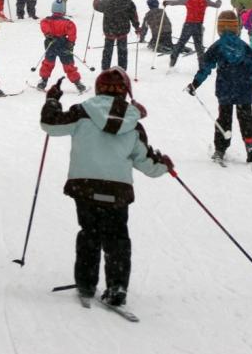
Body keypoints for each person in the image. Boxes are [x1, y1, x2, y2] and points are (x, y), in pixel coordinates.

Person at [39, 67, 173, 307]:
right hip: (117, 190)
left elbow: (51, 125)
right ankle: (116, 287)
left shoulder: (82, 113)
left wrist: (52, 100)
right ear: (126, 93)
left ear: (99, 87)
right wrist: (163, 166)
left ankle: (86, 284)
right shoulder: (133, 124)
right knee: (117, 238)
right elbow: (145, 162)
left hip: (85, 186)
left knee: (89, 233)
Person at [186, 10, 252, 166]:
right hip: (243, 88)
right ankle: (250, 146)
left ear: (220, 27)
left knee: (224, 119)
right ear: (236, 27)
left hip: (225, 89)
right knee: (246, 119)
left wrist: (195, 84)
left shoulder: (217, 47)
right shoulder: (245, 48)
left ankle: (220, 149)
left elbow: (206, 68)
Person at [163, 0, 221, 68]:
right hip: (198, 26)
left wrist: (167, 2)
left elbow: (176, 2)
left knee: (181, 43)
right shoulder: (205, 1)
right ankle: (202, 65)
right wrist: (219, 2)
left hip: (188, 25)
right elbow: (216, 5)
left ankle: (173, 58)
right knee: (198, 46)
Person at [37, 0, 87, 93]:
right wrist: (71, 42)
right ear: (63, 11)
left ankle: (43, 81)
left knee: (48, 63)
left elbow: (43, 24)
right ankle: (78, 83)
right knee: (69, 65)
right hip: (63, 45)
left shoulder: (47, 21)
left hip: (51, 44)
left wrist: (48, 34)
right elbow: (72, 32)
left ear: (52, 9)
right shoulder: (67, 22)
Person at [92, 0, 139, 71]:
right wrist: (137, 27)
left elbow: (97, 6)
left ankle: (105, 69)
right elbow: (134, 16)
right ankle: (122, 70)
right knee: (122, 51)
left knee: (107, 51)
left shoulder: (107, 1)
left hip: (109, 31)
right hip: (123, 31)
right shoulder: (128, 2)